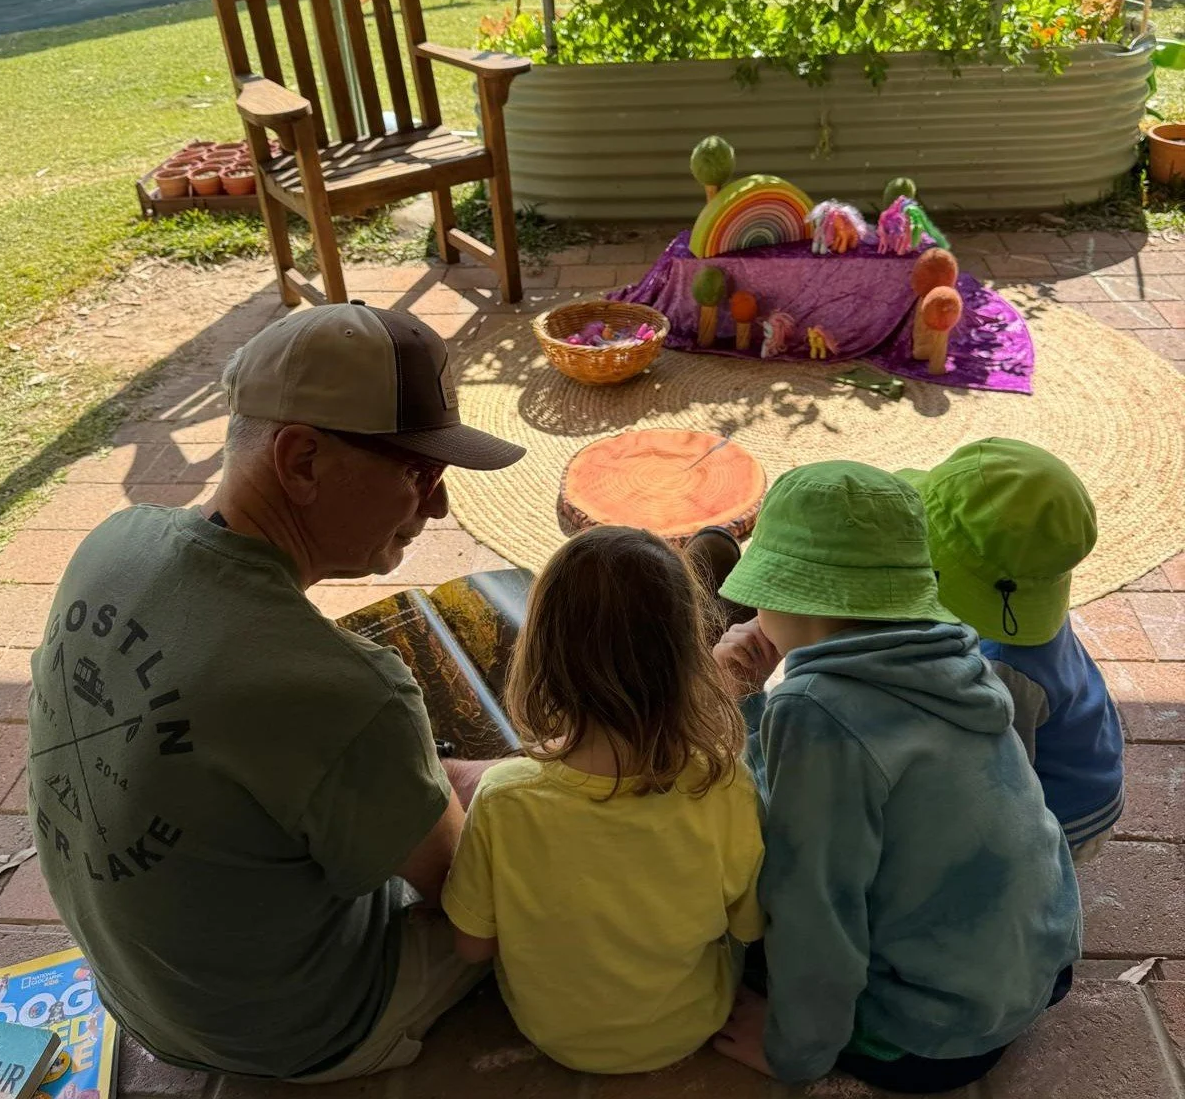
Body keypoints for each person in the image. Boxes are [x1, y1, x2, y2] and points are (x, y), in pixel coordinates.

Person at [26, 304, 525, 1080]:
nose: (438, 506)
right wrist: (520, 791)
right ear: (300, 461)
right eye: (419, 473)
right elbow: (466, 892)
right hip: (286, 1027)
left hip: (138, 991)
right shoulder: (345, 692)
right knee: (549, 857)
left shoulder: (110, 543)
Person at [710, 462, 1081, 1094]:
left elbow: (814, 902)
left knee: (727, 929)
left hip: (934, 1038)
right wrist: (749, 702)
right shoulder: (956, 655)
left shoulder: (814, 709)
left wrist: (795, 1050)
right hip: (1038, 971)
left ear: (786, 592)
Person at [440, 525, 764, 1073]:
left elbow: (472, 947)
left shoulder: (503, 796)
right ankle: (726, 656)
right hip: (689, 1023)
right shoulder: (726, 786)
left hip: (551, 1032)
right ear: (688, 660)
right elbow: (747, 926)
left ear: (540, 656)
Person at [899, 439, 1124, 864]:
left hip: (1066, 818)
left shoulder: (999, 669)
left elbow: (996, 781)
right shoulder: (1022, 603)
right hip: (1088, 771)